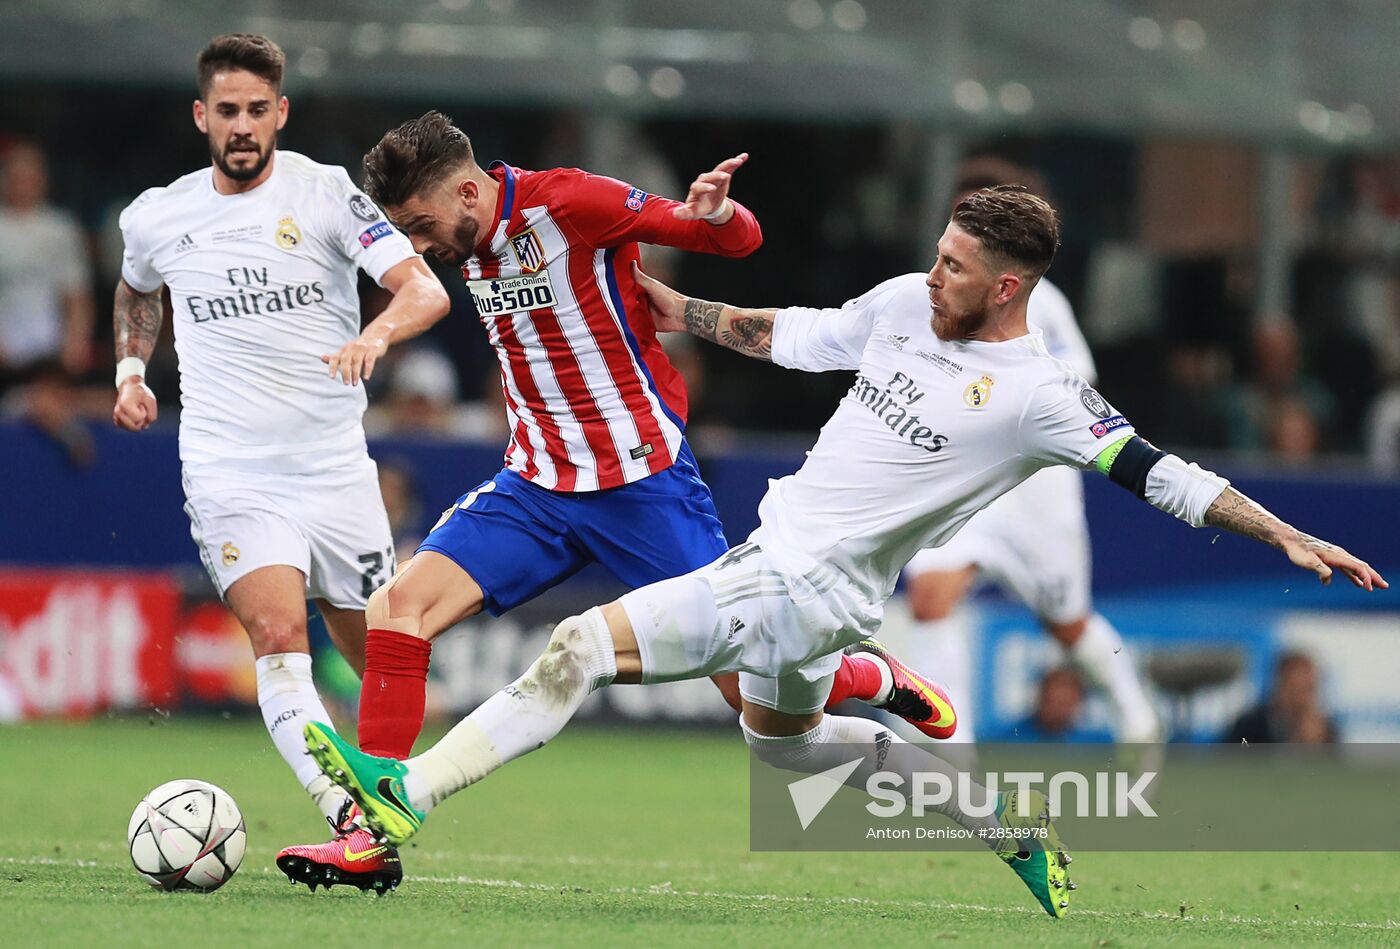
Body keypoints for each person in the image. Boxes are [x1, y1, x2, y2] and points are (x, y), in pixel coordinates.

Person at [304, 186, 1387, 918]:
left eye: (956, 264)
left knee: (579, 644)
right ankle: (1008, 828)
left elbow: (1163, 474)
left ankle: (407, 795)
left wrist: (1285, 531)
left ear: (1006, 287)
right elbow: (791, 333)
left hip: (796, 584)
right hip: (803, 580)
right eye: (937, 251)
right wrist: (673, 305)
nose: (933, 272)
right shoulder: (902, 305)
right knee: (780, 750)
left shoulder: (1042, 396)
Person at [279, 111, 950, 885]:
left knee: (756, 697)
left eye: (423, 226)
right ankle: (373, 833)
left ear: (468, 191)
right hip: (535, 484)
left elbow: (735, 241)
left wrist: (715, 212)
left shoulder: (569, 203)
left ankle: (867, 676)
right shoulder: (462, 238)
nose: (420, 247)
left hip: (642, 486)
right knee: (398, 609)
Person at [112, 34, 450, 894]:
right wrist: (129, 371)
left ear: (280, 113)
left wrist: (374, 332)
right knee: (276, 636)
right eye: (227, 111)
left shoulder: (328, 194)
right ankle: (348, 821)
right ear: (202, 116)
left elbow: (426, 288)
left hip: (336, 470)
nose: (242, 126)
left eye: (258, 110)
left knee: (380, 658)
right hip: (232, 471)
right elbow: (136, 285)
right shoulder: (160, 214)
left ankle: (378, 807)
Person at [902, 160, 1159, 748]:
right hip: (957, 475)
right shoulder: (923, 295)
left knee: (1066, 623)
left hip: (1030, 486)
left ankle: (1136, 717)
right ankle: (950, 753)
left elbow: (1077, 385)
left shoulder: (1043, 304)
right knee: (930, 596)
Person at [0, 142, 95, 389]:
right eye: (17, 177)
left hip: (49, 353)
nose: (23, 184)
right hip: (6, 350)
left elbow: (76, 293)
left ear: (43, 180)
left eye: (30, 177)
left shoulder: (60, 229)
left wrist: (76, 340)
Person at [1223, 651, 1339, 744]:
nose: (1304, 698)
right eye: (1297, 689)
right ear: (1280, 685)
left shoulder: (1326, 730)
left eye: (1309, 689)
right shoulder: (1250, 726)